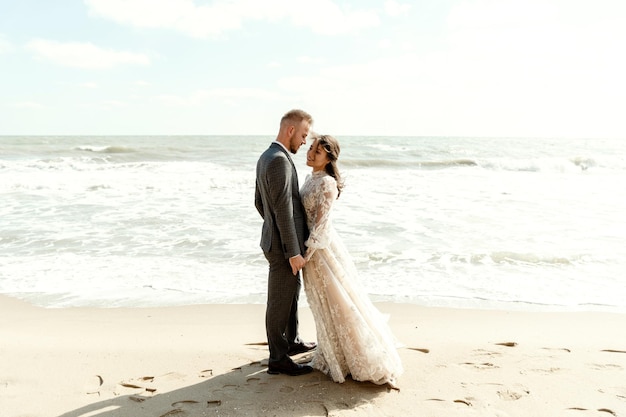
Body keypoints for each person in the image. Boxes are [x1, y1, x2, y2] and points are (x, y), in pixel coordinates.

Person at [300, 134, 403, 387]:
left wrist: (305, 256)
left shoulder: (327, 184)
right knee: (322, 304)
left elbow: (321, 226)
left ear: (328, 158)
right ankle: (330, 351)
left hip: (321, 251)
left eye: (318, 152)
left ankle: (359, 357)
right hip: (312, 250)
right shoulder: (308, 178)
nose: (311, 153)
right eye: (311, 148)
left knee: (340, 301)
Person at [255, 109, 318, 376]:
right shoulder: (279, 159)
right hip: (282, 248)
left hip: (277, 240)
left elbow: (259, 202)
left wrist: (272, 226)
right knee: (279, 301)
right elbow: (283, 210)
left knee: (291, 294)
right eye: (304, 135)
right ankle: (277, 358)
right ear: (290, 130)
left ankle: (291, 343)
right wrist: (292, 250)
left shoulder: (267, 156)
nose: (305, 141)